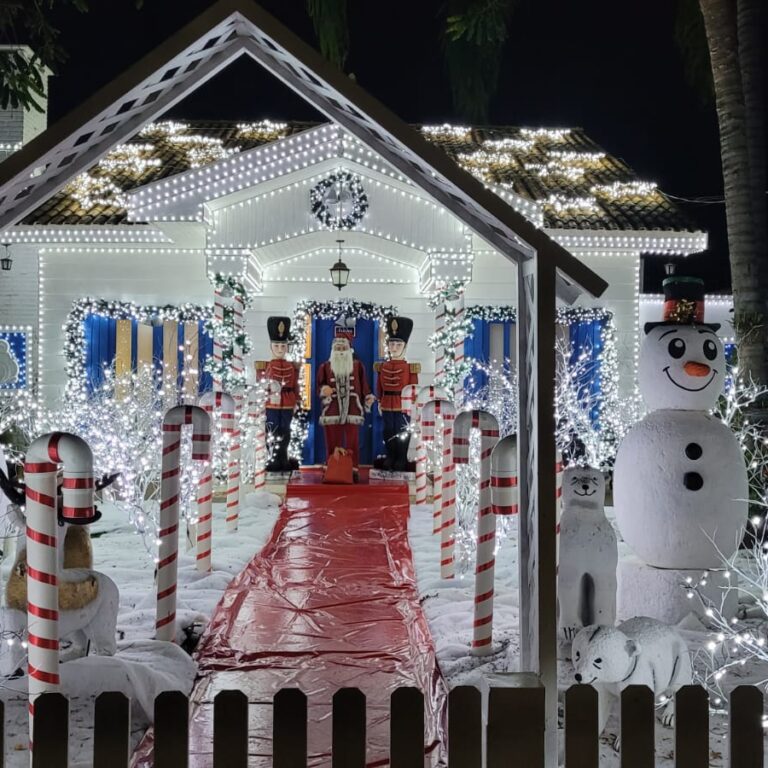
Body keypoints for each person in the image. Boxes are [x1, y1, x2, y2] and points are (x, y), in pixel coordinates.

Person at [317, 335, 375, 471]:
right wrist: (323, 390)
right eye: (338, 349)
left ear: (349, 350)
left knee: (352, 441)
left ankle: (352, 468)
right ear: (333, 350)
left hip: (353, 407)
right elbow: (319, 385)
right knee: (332, 440)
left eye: (344, 348)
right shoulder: (325, 367)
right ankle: (332, 467)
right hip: (332, 408)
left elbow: (364, 384)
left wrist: (367, 397)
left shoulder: (357, 366)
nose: (341, 352)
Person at [374, 316, 420, 471]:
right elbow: (379, 386)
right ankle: (390, 456)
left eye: (398, 344)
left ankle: (401, 458)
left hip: (403, 405)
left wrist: (413, 405)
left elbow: (414, 388)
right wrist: (379, 401)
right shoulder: (382, 367)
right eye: (391, 344)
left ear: (405, 346)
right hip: (387, 403)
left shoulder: (410, 368)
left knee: (402, 431)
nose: (394, 348)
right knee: (388, 431)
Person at [256, 316, 300, 472]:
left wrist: (296, 401)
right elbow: (261, 385)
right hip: (272, 403)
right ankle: (273, 458)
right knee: (272, 431)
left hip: (287, 403)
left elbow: (295, 385)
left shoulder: (292, 366)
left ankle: (283, 457)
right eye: (276, 345)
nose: (280, 349)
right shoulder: (264, 366)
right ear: (271, 346)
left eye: (283, 346)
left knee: (285, 431)